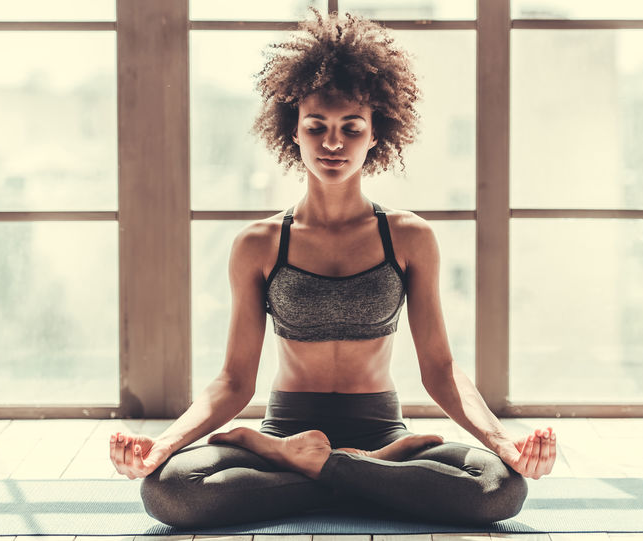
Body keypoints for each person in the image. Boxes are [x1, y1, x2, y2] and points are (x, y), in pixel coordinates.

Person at [109, 9, 556, 529]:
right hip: (286, 430)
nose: (333, 143)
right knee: (170, 491)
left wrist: (504, 443)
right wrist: (161, 445)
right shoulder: (258, 244)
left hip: (383, 435)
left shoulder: (410, 237)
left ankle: (326, 470)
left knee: (497, 488)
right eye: (316, 127)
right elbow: (234, 379)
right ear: (292, 133)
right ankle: (360, 479)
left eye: (351, 127)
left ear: (375, 135)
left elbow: (440, 369)